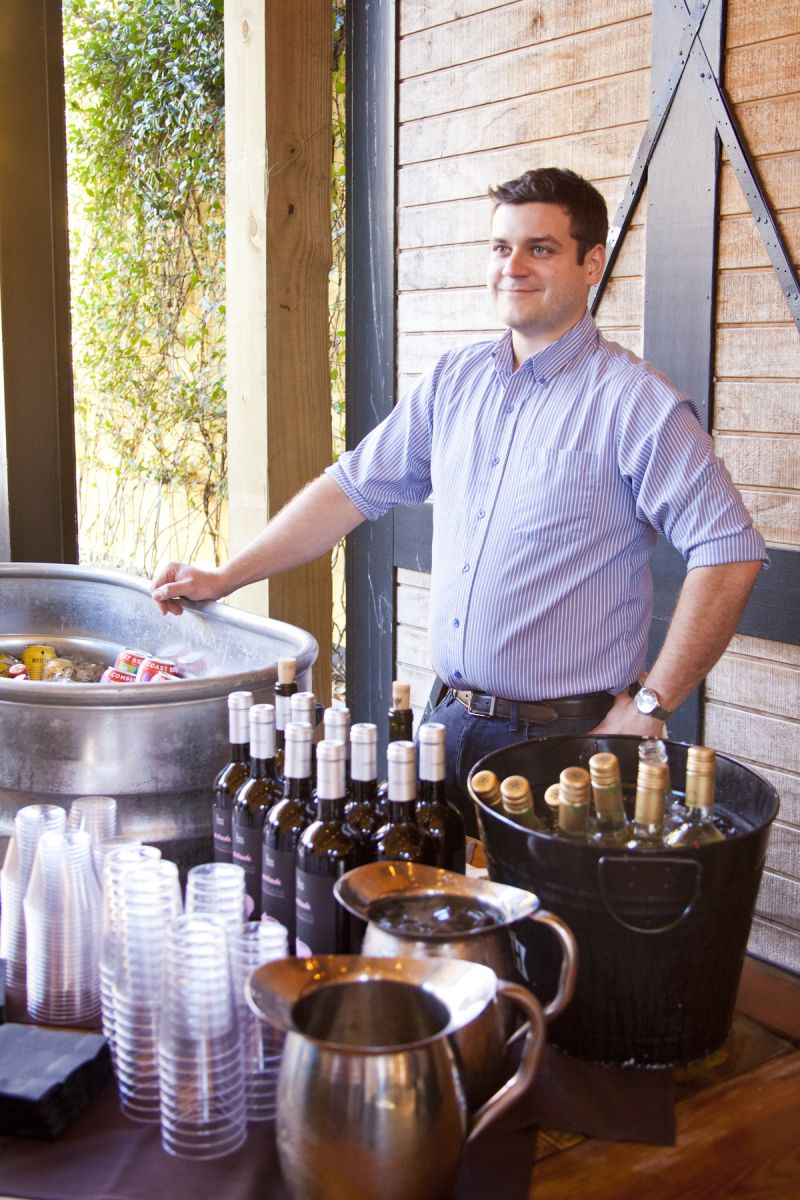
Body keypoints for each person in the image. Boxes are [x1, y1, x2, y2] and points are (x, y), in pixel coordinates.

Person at [151, 167, 766, 834]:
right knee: (431, 920)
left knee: (547, 935)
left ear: (593, 263)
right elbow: (348, 490)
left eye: (541, 248)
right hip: (446, 729)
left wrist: (651, 702)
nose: (515, 267)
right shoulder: (454, 380)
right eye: (501, 248)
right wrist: (224, 576)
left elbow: (729, 551)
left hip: (567, 748)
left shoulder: (635, 403)